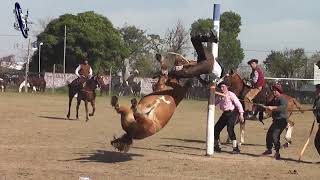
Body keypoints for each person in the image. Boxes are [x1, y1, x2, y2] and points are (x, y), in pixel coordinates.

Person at [214, 81, 244, 154]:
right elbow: (214, 103)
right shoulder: (220, 96)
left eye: (223, 87)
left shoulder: (231, 94)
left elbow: (238, 104)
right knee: (216, 129)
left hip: (232, 113)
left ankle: (235, 148)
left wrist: (241, 114)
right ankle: (217, 146)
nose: (222, 88)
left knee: (230, 129)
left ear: (227, 87)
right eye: (221, 87)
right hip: (225, 114)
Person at [261, 83, 288, 160]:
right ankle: (269, 150)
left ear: (279, 91)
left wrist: (273, 107)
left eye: (275, 90)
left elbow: (282, 107)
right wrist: (264, 106)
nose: (273, 91)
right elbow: (268, 104)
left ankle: (277, 153)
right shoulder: (274, 99)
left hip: (282, 121)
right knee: (269, 134)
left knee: (275, 136)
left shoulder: (282, 98)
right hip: (276, 121)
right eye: (273, 90)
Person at [313, 84, 320, 155]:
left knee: (317, 141)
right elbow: (314, 110)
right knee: (317, 142)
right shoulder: (317, 99)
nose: (315, 91)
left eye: (317, 89)